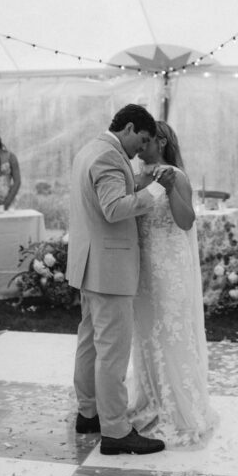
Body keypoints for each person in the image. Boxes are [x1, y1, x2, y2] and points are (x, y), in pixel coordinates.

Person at [67, 103, 173, 456]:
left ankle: (88, 413)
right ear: (128, 128)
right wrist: (156, 191)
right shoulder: (110, 157)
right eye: (140, 140)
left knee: (91, 343)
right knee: (112, 351)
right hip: (108, 268)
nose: (140, 149)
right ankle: (115, 430)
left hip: (89, 264)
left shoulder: (88, 149)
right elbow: (114, 209)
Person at [129, 120, 218, 447]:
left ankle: (179, 408)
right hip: (143, 268)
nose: (140, 145)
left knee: (170, 332)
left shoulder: (175, 176)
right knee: (147, 335)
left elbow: (186, 220)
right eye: (138, 140)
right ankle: (150, 399)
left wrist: (168, 189)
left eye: (146, 140)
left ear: (162, 141)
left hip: (170, 268)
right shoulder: (135, 176)